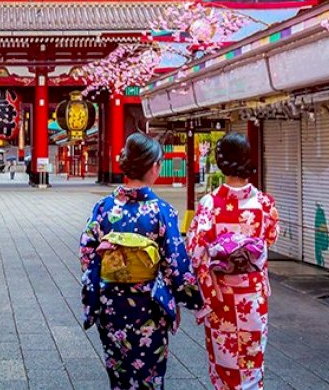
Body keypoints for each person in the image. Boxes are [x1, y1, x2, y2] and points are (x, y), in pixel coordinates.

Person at [79, 133, 203, 390]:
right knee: (150, 376)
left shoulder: (103, 208)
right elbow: (175, 263)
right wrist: (191, 298)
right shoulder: (162, 211)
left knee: (119, 374)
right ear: (153, 166)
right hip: (149, 306)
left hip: (111, 303)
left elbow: (87, 253)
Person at [186, 133, 279, 390]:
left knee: (224, 367)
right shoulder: (264, 204)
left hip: (221, 297)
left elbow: (195, 250)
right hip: (252, 298)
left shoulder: (209, 204)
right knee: (251, 364)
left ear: (220, 162)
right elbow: (270, 238)